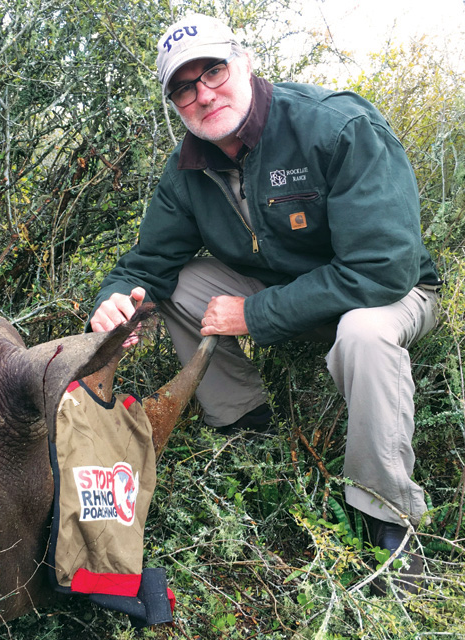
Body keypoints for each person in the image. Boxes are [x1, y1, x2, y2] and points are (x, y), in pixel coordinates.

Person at [88, 13, 441, 587]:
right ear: (174, 103)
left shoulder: (337, 126)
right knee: (176, 283)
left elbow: (382, 269)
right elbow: (144, 266)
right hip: (291, 290)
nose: (203, 94)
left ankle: (387, 519)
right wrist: (114, 306)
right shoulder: (188, 170)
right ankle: (250, 434)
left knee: (363, 334)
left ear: (246, 63)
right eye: (184, 85)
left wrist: (254, 315)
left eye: (214, 70)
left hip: (393, 294)